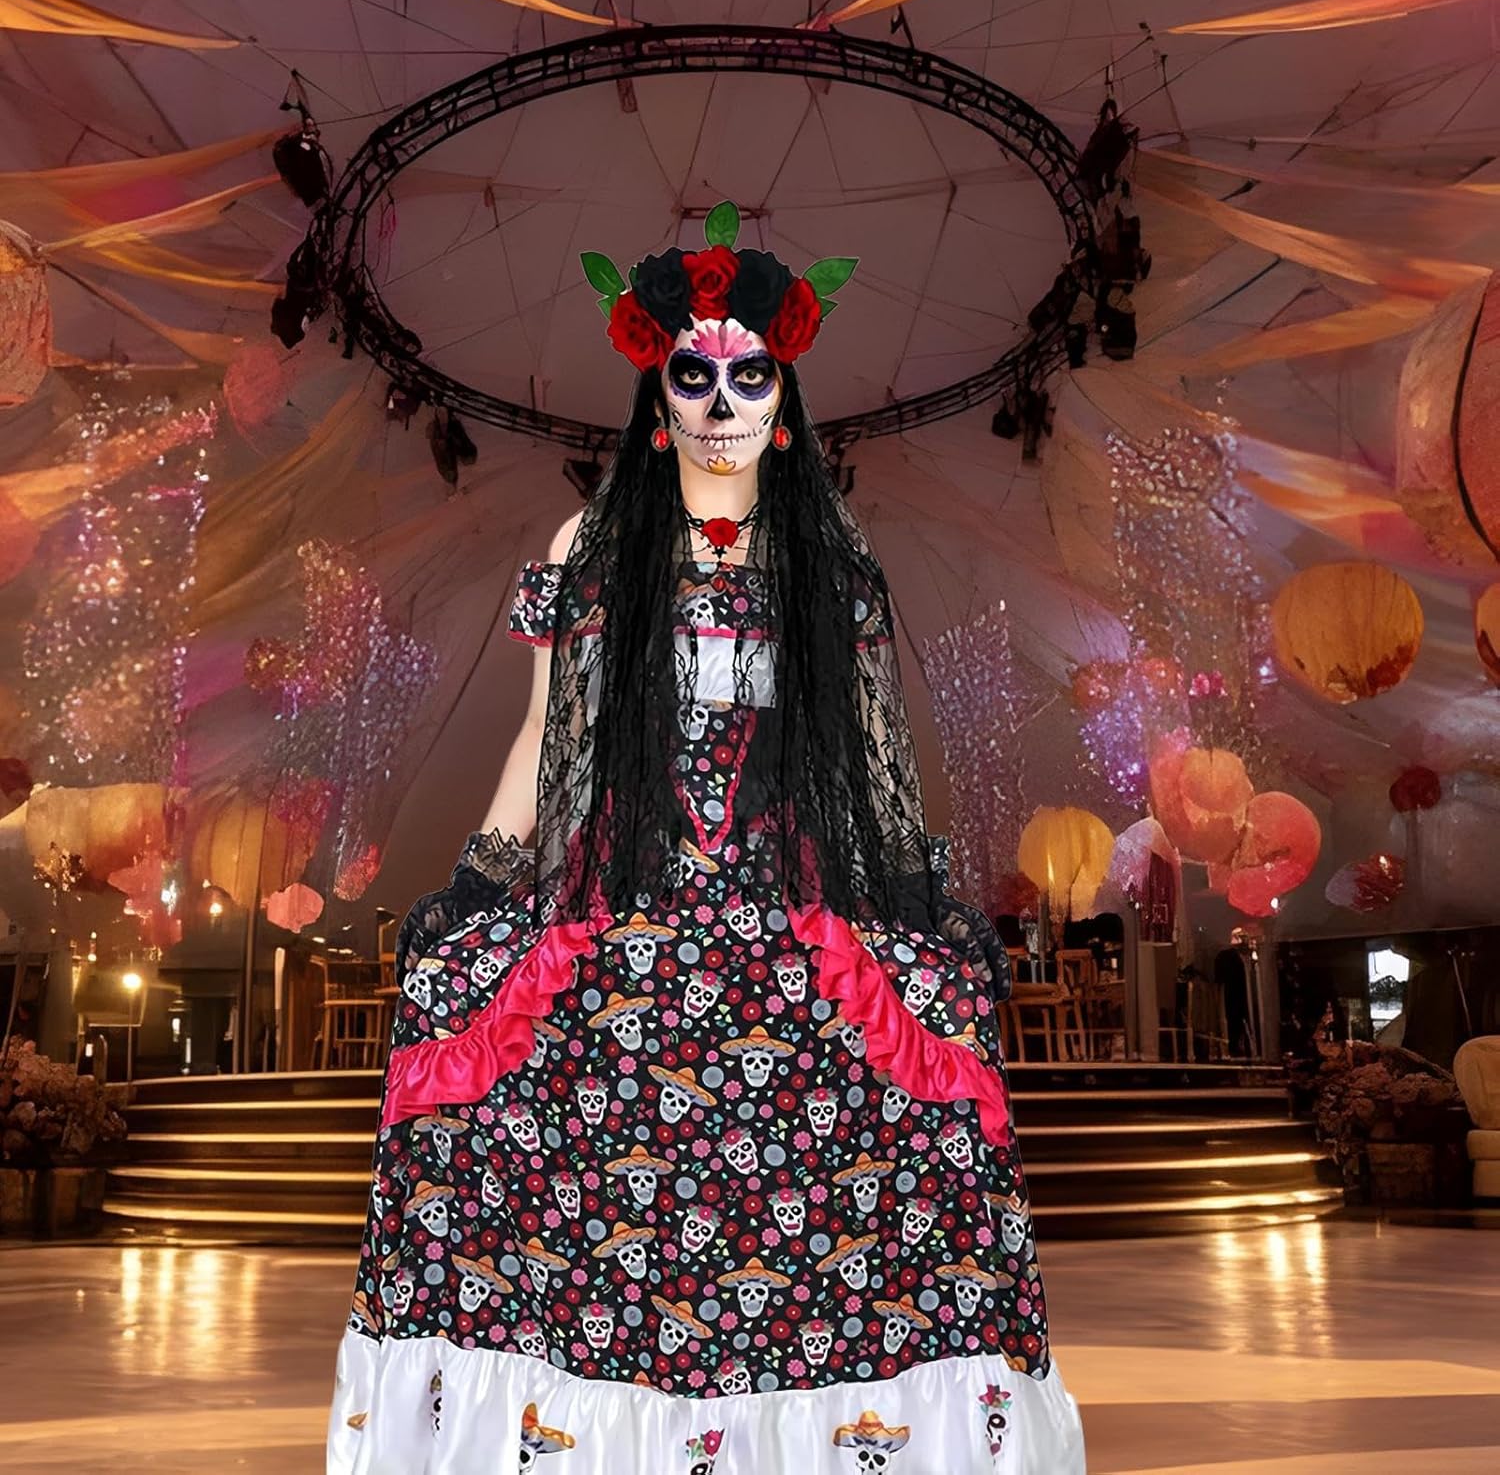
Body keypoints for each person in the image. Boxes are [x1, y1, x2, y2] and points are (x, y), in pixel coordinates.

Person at [326, 202, 1087, 1473]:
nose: (722, 402)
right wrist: (478, 881)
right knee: (484, 1041)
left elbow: (875, 749)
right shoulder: (590, 546)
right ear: (656, 392)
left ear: (784, 396)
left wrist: (916, 893)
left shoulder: (828, 556)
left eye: (749, 375)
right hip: (622, 898)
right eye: (694, 375)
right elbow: (547, 740)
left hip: (791, 902)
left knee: (917, 1070)